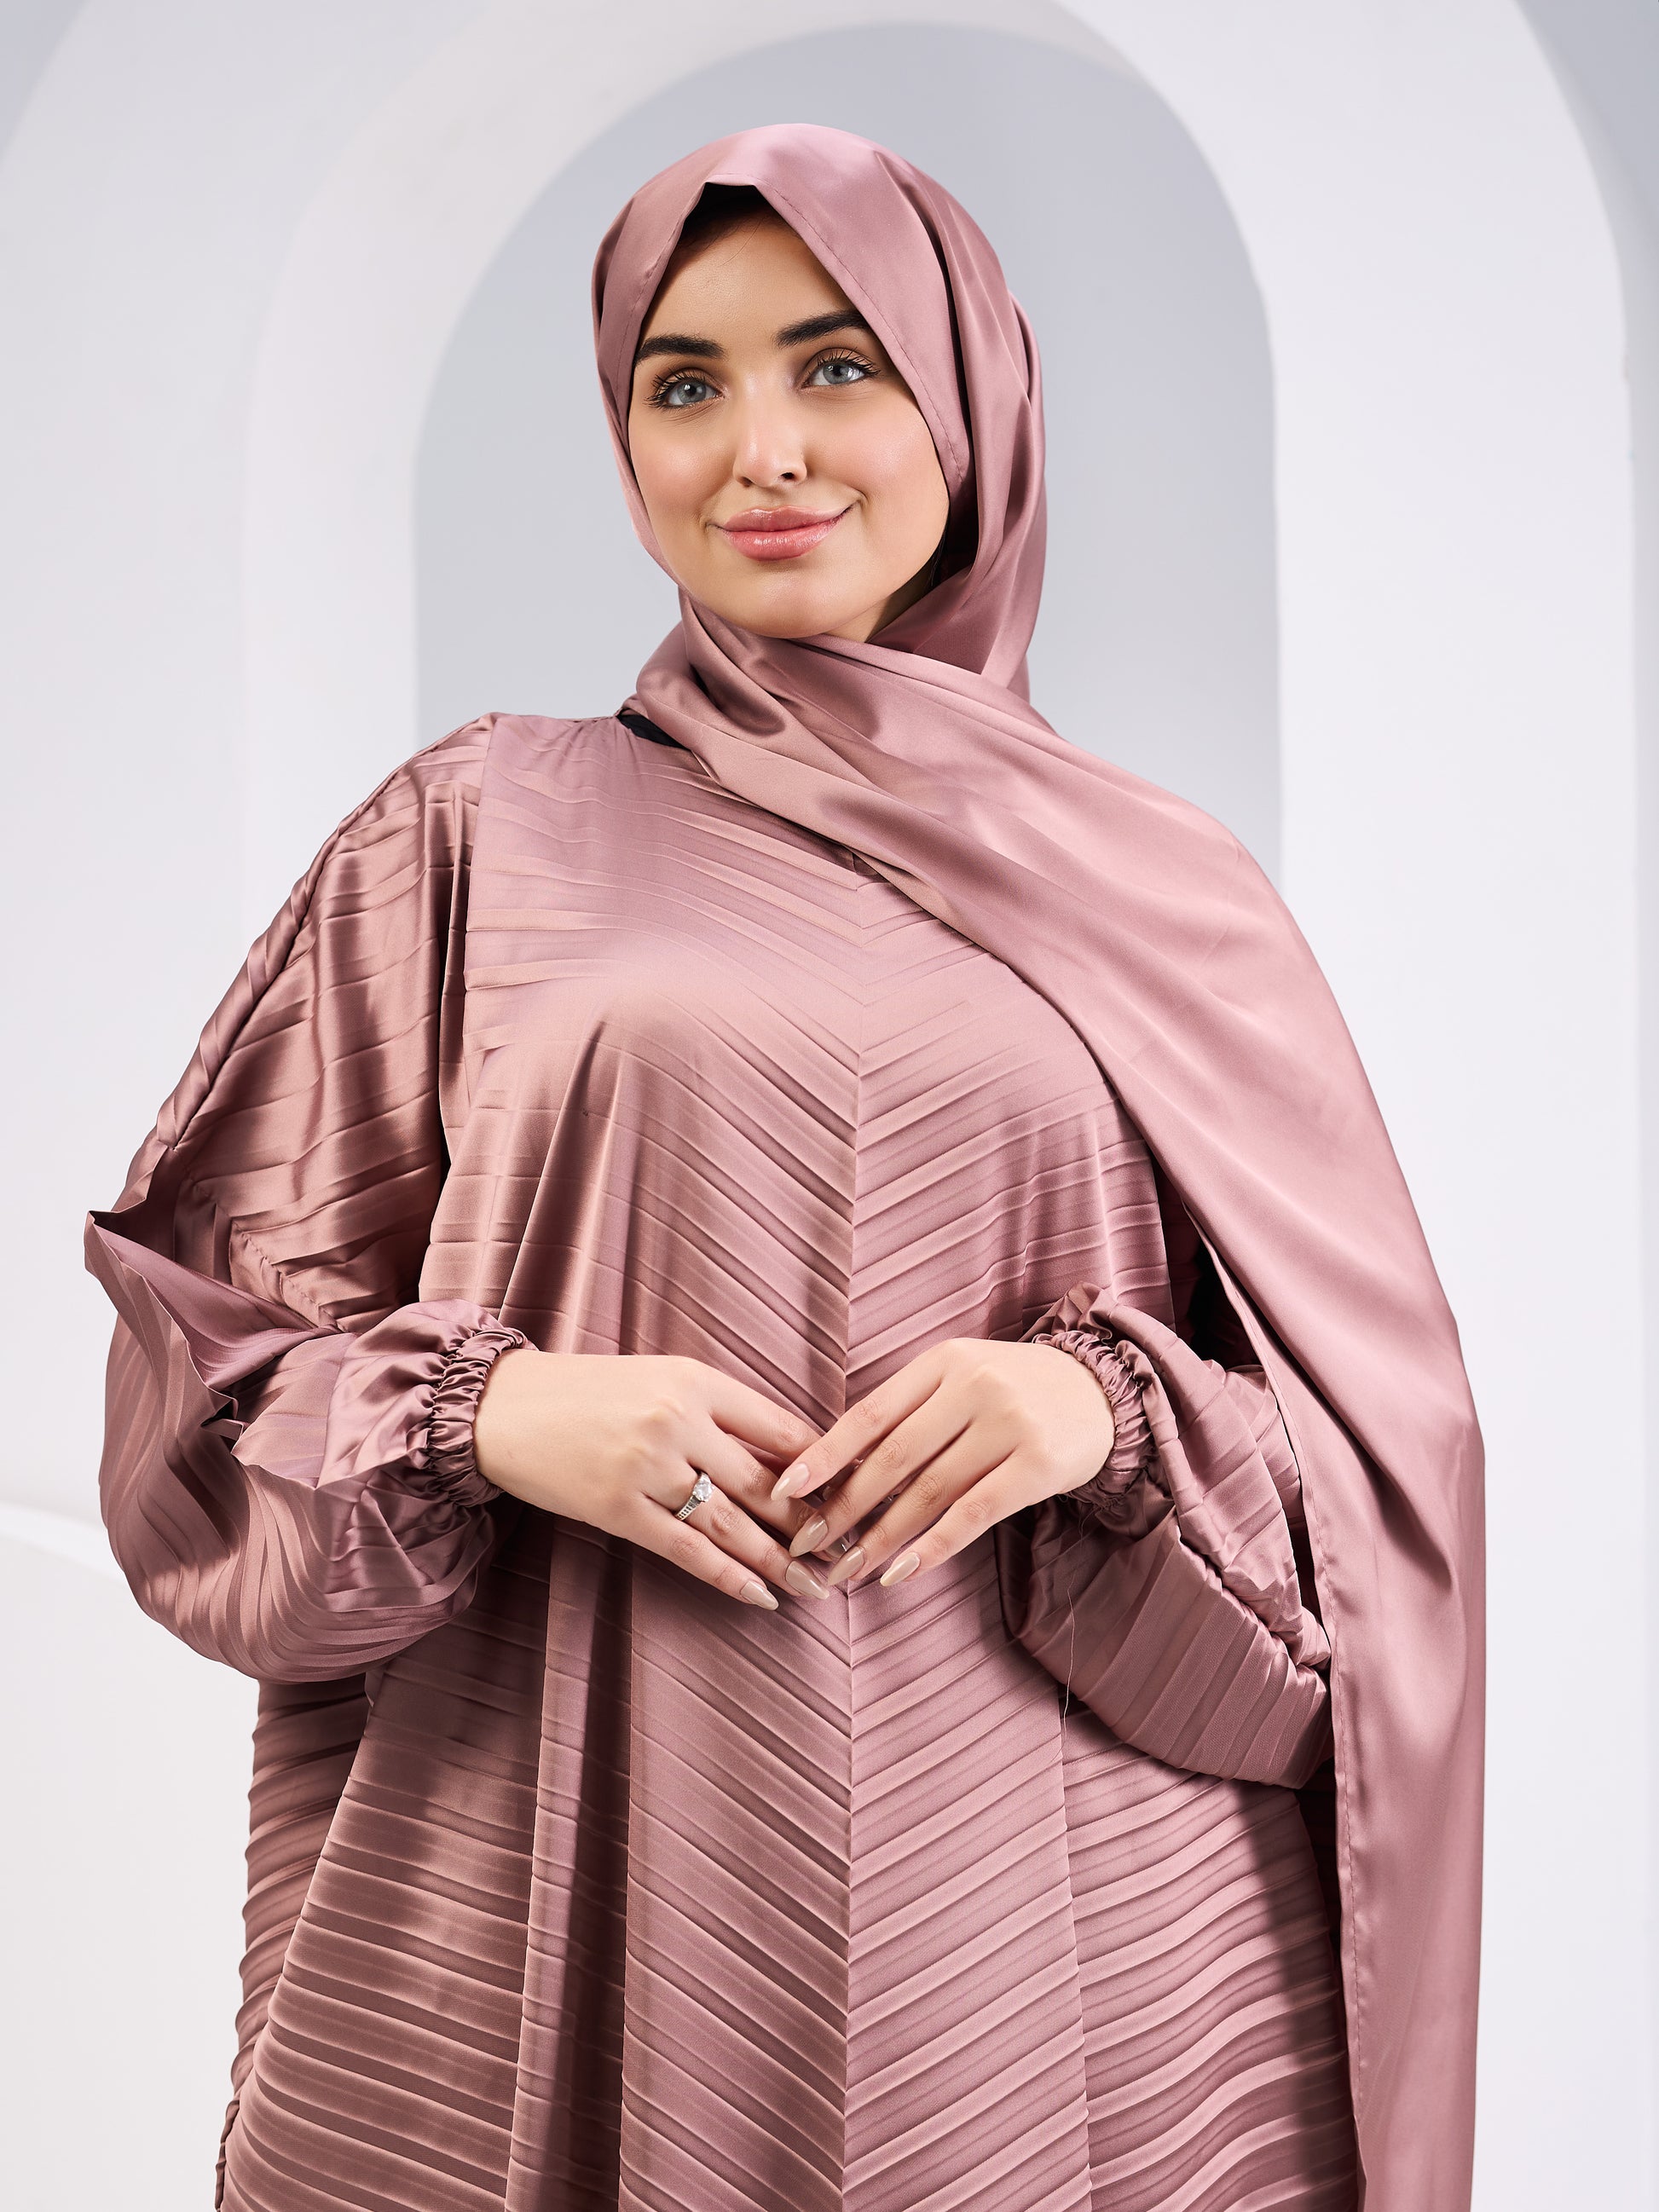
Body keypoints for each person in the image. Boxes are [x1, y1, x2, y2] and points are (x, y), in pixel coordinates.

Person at [85, 124, 1483, 2212]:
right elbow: (194, 1382)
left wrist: (1094, 1408)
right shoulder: (479, 829)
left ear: (971, 400)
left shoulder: (1174, 901)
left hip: (1068, 1922)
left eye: (839, 365)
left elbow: (1383, 1487)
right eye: (686, 382)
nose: (762, 449)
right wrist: (495, 1415)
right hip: (563, 1837)